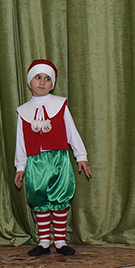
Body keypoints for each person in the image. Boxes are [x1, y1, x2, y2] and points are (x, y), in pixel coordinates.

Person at [13, 58, 91, 256]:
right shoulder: (23, 111)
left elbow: (71, 132)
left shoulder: (60, 105)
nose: (42, 82)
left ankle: (61, 242)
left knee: (60, 199)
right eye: (38, 77)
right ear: (30, 81)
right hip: (35, 162)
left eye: (47, 79)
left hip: (59, 160)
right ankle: (44, 242)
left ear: (53, 84)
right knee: (40, 201)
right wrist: (20, 167)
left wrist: (81, 155)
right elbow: (20, 141)